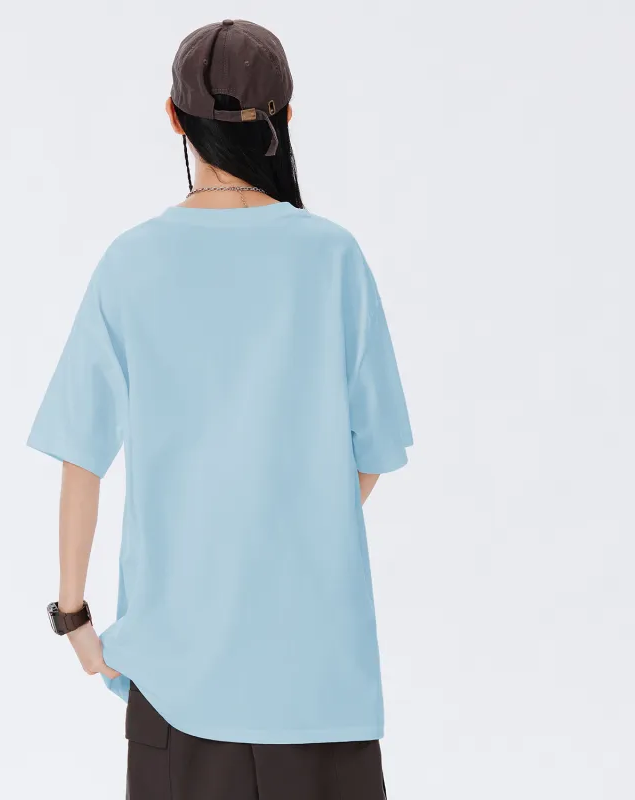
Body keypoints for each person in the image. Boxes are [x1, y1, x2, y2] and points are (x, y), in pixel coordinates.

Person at [28, 18, 412, 800]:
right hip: (320, 684)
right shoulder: (332, 257)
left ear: (174, 118)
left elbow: (81, 455)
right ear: (286, 116)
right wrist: (287, 532)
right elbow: (373, 452)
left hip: (176, 684)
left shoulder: (132, 263)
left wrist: (74, 617)